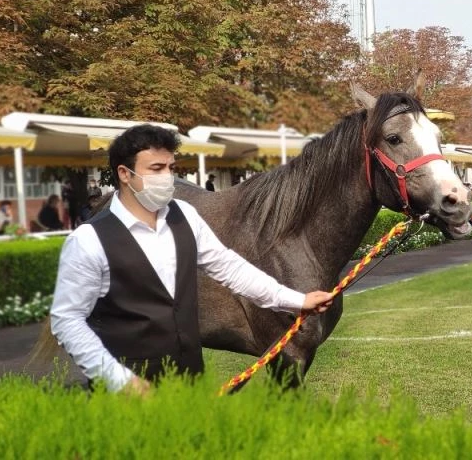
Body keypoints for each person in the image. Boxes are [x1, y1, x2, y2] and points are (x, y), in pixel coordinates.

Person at [50, 124, 333, 395]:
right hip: (122, 393)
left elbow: (231, 269)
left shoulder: (184, 215)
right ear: (125, 174)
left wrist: (296, 300)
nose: (167, 177)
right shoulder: (88, 240)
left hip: (187, 385)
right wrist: (118, 380)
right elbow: (67, 320)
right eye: (156, 169)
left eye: (171, 168)